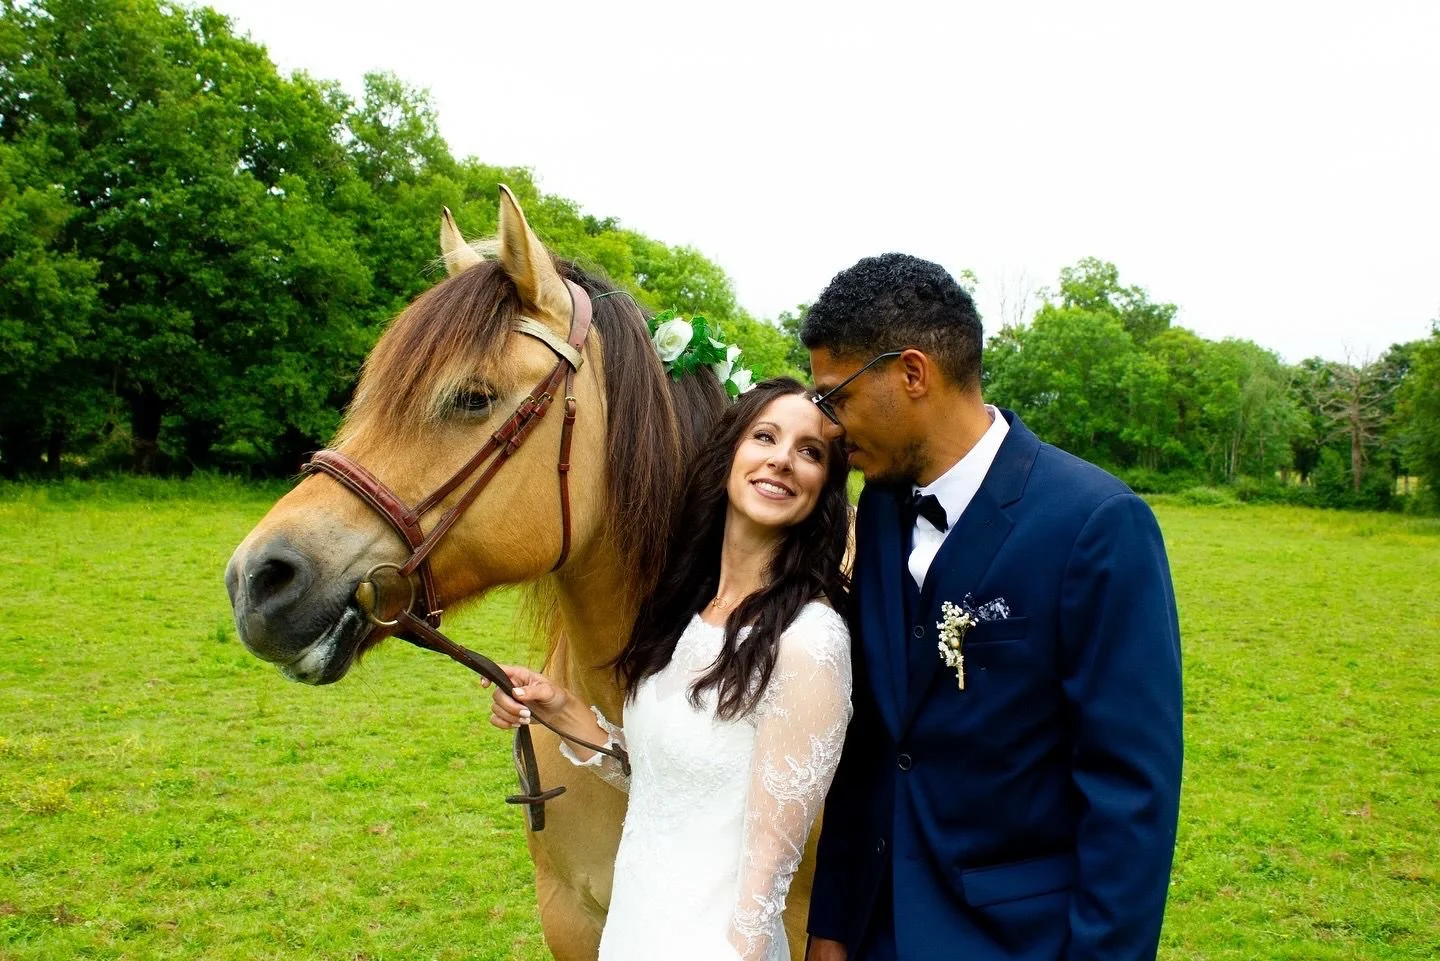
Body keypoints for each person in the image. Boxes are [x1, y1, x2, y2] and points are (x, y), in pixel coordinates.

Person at [801, 254, 1183, 961]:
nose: (828, 424)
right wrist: (831, 923)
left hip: (1016, 940)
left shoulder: (1097, 523)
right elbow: (876, 744)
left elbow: (1131, 795)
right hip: (874, 932)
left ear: (912, 373)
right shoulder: (879, 511)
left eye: (836, 395)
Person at [485, 377, 854, 960]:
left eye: (810, 452)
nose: (782, 460)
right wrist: (558, 708)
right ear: (731, 452)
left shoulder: (808, 640)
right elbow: (664, 780)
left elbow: (769, 878)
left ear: (823, 488)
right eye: (765, 436)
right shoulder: (686, 615)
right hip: (635, 930)